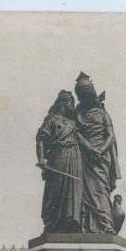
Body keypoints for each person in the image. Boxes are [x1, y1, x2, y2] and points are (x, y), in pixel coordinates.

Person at [74, 72, 121, 234]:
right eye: (82, 95)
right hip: (84, 157)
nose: (84, 98)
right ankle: (86, 226)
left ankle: (106, 225)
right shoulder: (77, 114)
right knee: (84, 192)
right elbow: (75, 133)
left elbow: (111, 136)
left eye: (87, 94)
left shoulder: (103, 114)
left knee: (101, 190)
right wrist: (89, 148)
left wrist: (100, 150)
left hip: (101, 158)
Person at [35, 90, 84, 234]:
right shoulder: (51, 119)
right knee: (56, 189)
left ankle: (72, 222)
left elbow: (82, 139)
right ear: (64, 102)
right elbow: (40, 140)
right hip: (58, 157)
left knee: (73, 189)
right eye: (71, 103)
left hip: (75, 157)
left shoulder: (73, 123)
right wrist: (41, 159)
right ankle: (54, 224)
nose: (72, 106)